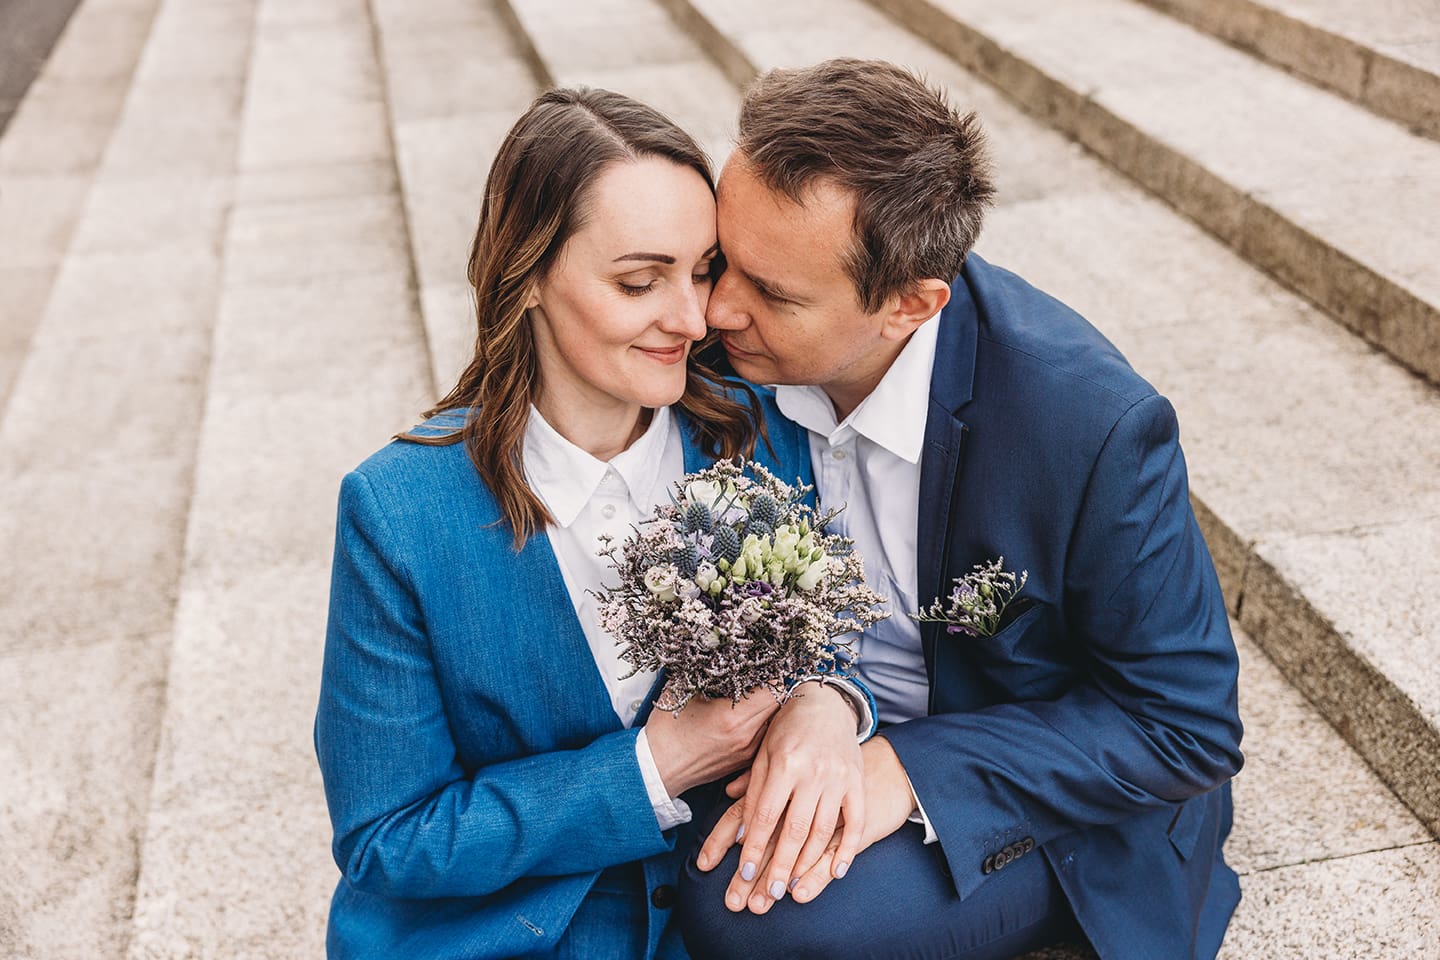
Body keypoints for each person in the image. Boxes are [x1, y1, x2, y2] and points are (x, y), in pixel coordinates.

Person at [680, 58, 1244, 960]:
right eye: (721, 259)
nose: (713, 308)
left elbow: (1185, 724)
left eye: (772, 293)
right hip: (813, 716)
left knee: (746, 914)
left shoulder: (1088, 427)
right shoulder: (719, 345)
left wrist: (909, 766)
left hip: (1031, 783)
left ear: (910, 305)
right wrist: (822, 695)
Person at [313, 87, 872, 960]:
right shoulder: (402, 512)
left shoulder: (758, 431)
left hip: (733, 918)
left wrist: (833, 703)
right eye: (640, 282)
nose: (694, 320)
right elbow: (390, 837)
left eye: (703, 270)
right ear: (529, 273)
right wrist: (652, 771)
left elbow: (841, 629)